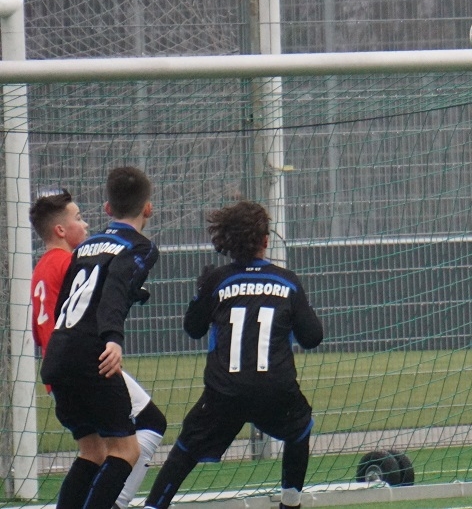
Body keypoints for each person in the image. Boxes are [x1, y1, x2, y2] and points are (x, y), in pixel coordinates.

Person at [143, 201, 324, 509]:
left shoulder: (218, 280)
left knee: (186, 447)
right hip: (275, 389)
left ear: (227, 241)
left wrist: (200, 294)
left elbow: (193, 329)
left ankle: (153, 506)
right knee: (300, 427)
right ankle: (290, 502)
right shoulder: (287, 281)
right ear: (265, 240)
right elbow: (312, 338)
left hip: (224, 391)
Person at [29, 188, 167, 509]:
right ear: (60, 230)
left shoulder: (42, 269)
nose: (86, 224)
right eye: (79, 218)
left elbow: (50, 322)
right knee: (143, 431)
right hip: (89, 358)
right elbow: (97, 300)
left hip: (57, 363)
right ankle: (116, 501)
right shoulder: (72, 261)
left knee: (93, 451)